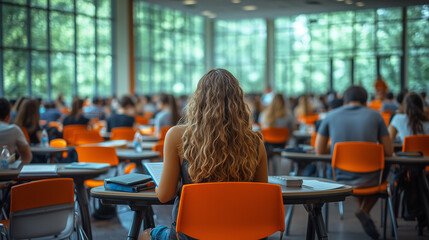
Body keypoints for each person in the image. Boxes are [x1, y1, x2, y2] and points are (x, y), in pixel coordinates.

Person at [139, 69, 268, 240]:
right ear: (238, 103)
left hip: (190, 235)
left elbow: (164, 195)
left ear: (198, 100)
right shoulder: (255, 142)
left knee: (145, 235)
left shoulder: (177, 136)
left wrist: (158, 185)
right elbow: (261, 199)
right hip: (242, 235)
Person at [315, 86, 393, 240]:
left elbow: (319, 150)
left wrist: (339, 148)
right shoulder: (376, 116)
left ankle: (363, 209)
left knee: (358, 171)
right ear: (365, 101)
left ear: (345, 100)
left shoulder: (330, 115)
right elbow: (389, 151)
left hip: (338, 178)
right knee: (383, 167)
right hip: (372, 179)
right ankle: (364, 209)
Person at [0, 98, 32, 164]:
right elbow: (27, 156)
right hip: (6, 172)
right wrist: (14, 166)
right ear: (8, 116)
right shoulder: (14, 130)